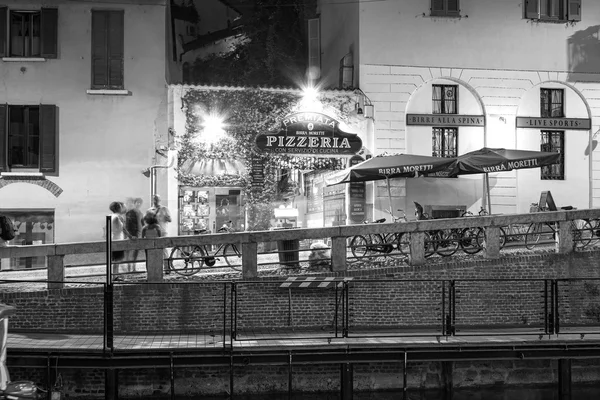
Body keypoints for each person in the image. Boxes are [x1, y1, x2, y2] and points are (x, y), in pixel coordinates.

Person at [147, 194, 172, 271]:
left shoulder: (164, 209)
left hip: (163, 231)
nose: (155, 200)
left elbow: (170, 219)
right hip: (153, 232)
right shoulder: (150, 210)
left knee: (164, 250)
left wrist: (166, 217)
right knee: (153, 250)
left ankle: (167, 267)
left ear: (159, 200)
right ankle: (156, 268)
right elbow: (146, 221)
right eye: (154, 199)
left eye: (157, 199)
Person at [109, 201, 132, 281]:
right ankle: (115, 276)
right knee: (118, 259)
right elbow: (123, 229)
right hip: (118, 239)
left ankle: (115, 275)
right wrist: (130, 236)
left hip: (113, 239)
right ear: (119, 208)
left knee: (116, 259)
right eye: (121, 207)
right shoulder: (119, 217)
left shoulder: (111, 216)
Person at [125, 198, 144, 270]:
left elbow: (142, 224)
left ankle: (133, 267)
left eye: (140, 203)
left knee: (136, 251)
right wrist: (129, 235)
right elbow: (127, 225)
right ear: (134, 203)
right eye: (137, 202)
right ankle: (128, 267)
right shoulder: (129, 213)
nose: (138, 204)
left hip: (138, 235)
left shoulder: (141, 213)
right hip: (131, 235)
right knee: (128, 251)